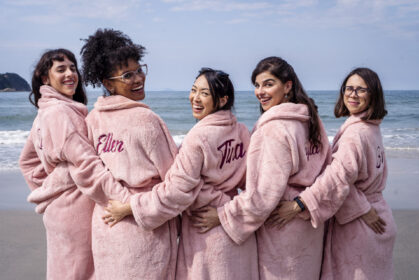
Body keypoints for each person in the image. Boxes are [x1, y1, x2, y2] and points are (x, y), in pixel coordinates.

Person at [105, 68, 259, 280]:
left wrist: (130, 206)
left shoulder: (197, 138)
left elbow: (176, 191)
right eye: (194, 90)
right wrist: (228, 207)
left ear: (222, 100)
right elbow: (253, 184)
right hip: (239, 235)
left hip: (205, 235)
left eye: (204, 93)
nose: (195, 98)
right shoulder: (242, 131)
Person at [190, 56, 331, 280]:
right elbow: (328, 173)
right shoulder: (310, 118)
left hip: (280, 226)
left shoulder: (274, 128)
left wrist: (223, 215)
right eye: (257, 85)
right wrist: (303, 204)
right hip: (308, 226)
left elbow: (264, 195)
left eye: (268, 84)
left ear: (287, 86)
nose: (260, 92)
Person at [267, 67, 397, 279]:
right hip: (378, 217)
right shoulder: (371, 127)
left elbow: (337, 178)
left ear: (373, 94)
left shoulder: (355, 133)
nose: (352, 94)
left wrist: (300, 204)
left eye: (361, 90)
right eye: (349, 88)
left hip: (360, 228)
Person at [19, 48, 131, 280]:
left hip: (60, 209)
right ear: (44, 77)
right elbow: (87, 165)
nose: (70, 74)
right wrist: (127, 203)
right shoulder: (60, 113)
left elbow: (27, 161)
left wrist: (49, 192)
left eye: (72, 68)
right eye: (61, 69)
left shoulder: (48, 111)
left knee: (66, 270)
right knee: (81, 273)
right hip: (76, 210)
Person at [79, 28, 179, 280]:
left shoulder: (91, 120)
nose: (138, 79)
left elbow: (86, 174)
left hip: (106, 223)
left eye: (139, 70)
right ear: (108, 83)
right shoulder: (146, 120)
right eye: (127, 75)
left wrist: (119, 201)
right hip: (145, 230)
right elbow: (175, 181)